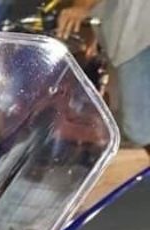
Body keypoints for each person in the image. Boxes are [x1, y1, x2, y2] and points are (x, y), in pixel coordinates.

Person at [58, 0, 150, 156]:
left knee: (140, 126)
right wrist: (96, 35)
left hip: (138, 33)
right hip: (133, 30)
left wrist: (80, 7)